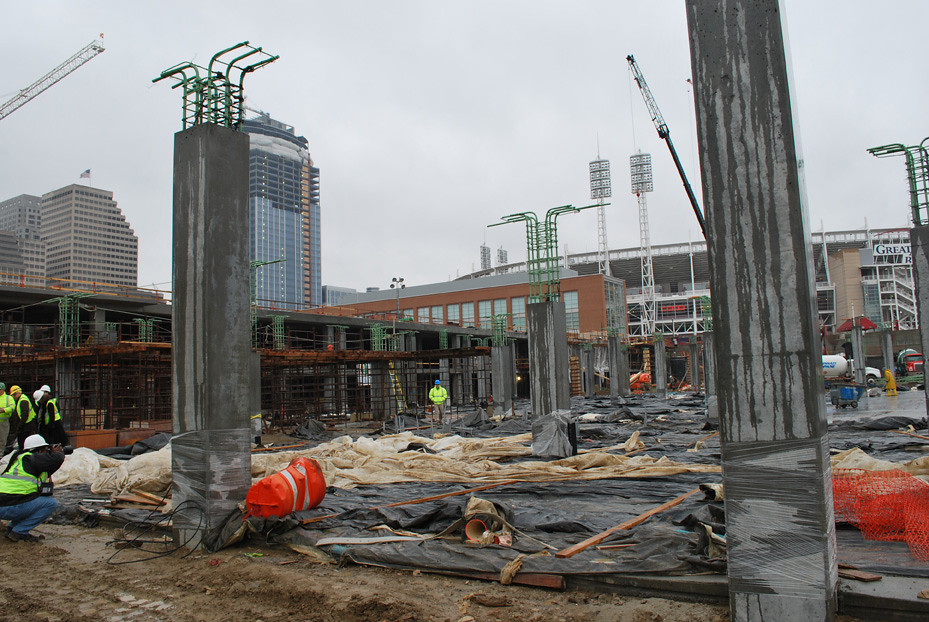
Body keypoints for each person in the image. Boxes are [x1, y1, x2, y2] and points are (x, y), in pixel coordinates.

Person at [0, 434, 65, 542]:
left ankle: (11, 529)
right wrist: (58, 454)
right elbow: (56, 459)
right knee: (50, 503)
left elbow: (50, 466)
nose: (47, 453)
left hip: (4, 505)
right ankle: (19, 532)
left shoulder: (19, 460)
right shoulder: (31, 459)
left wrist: (54, 456)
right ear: (39, 451)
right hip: (10, 506)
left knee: (27, 499)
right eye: (45, 450)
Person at [9, 386, 36, 452]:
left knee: (23, 444)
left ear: (18, 393)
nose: (13, 397)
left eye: (14, 395)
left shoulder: (23, 401)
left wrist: (19, 426)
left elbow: (24, 415)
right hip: (26, 425)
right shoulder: (21, 399)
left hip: (26, 426)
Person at [0, 383, 14, 457]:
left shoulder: (8, 398)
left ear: (3, 390)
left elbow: (12, 408)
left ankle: (0, 455)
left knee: (2, 440)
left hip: (3, 423)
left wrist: (4, 410)